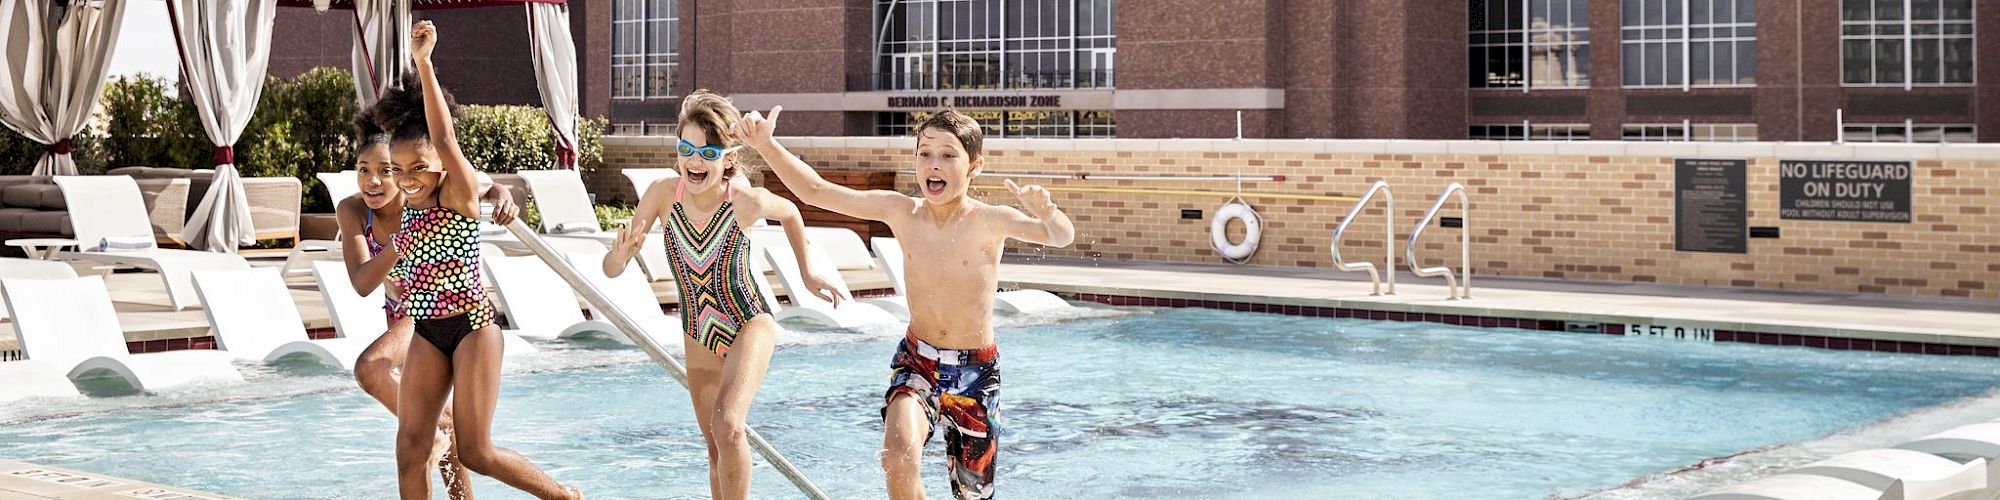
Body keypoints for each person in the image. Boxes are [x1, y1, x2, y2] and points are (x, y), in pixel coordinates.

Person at [739, 107, 1074, 500]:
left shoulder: (990, 219)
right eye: (925, 153)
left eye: (949, 155)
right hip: (918, 362)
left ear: (974, 167)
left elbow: (1060, 237)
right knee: (898, 458)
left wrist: (1048, 211)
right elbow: (816, 191)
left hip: (976, 375)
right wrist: (765, 144)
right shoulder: (901, 212)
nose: (934, 164)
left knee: (973, 494)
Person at [601, 90, 842, 500]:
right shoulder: (662, 194)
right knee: (716, 447)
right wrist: (619, 257)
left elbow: (792, 213)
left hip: (749, 320)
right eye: (686, 148)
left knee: (729, 425)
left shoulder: (743, 202)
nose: (695, 160)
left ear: (729, 159)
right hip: (697, 332)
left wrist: (806, 273)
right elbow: (610, 269)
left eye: (708, 152)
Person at [387, 20, 578, 500]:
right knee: (410, 445)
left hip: (473, 327)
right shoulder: (412, 201)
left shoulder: (457, 194)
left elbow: (447, 140)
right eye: (398, 169)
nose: (407, 178)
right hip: (429, 330)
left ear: (440, 164)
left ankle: (562, 496)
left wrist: (424, 64)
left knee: (476, 452)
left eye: (418, 167)